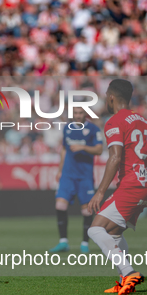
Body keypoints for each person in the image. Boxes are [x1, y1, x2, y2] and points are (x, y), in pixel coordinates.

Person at [87, 79, 147, 295]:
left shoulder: (114, 121)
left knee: (95, 229)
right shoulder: (146, 123)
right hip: (146, 185)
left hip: (131, 185)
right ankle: (124, 281)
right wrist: (146, 183)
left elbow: (115, 157)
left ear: (111, 97)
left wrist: (100, 191)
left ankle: (129, 272)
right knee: (114, 233)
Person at [50, 107, 103, 254]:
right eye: (75, 114)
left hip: (84, 176)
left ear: (85, 114)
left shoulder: (93, 129)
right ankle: (63, 242)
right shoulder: (67, 128)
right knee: (60, 205)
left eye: (80, 113)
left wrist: (83, 147)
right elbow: (64, 150)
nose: (78, 116)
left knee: (86, 211)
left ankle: (84, 243)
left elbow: (99, 149)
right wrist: (60, 169)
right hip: (68, 175)